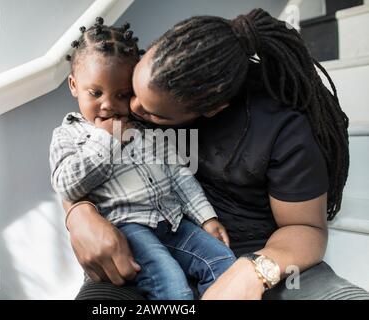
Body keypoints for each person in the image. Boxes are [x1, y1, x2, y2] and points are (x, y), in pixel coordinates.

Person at [64, 9, 369, 299]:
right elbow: (75, 160)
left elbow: (305, 228)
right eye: (131, 92)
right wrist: (79, 214)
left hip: (258, 253)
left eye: (153, 113)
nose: (131, 110)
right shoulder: (149, 82)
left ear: (211, 109)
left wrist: (254, 272)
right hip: (142, 246)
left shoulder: (281, 127)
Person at [50, 18, 236, 300]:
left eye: (122, 94)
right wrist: (107, 138)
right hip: (129, 231)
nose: (109, 104)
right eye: (95, 93)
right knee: (172, 285)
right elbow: (67, 185)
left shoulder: (145, 130)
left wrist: (206, 218)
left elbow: (179, 175)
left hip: (172, 221)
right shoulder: (69, 135)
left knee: (223, 261)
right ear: (74, 85)